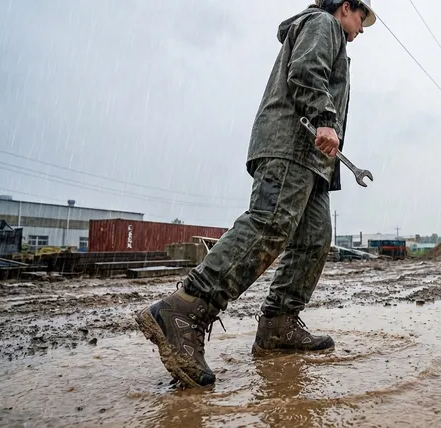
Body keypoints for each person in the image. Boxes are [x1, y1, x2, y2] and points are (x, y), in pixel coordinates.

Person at [134, 0, 376, 388]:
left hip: (313, 160)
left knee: (314, 239)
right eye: (361, 19)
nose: (361, 29)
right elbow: (306, 71)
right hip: (290, 147)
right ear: (345, 7)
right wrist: (325, 118)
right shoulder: (322, 24)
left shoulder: (333, 37)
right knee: (270, 223)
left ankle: (279, 325)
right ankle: (185, 308)